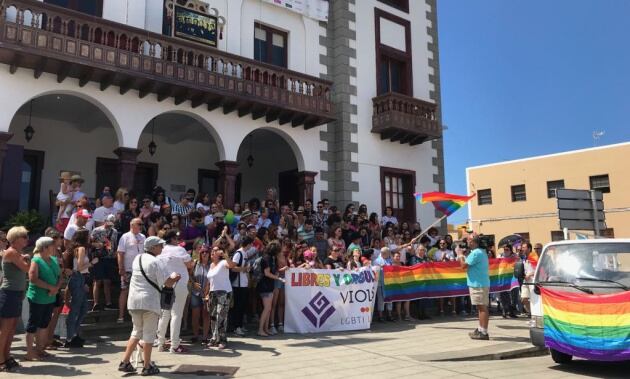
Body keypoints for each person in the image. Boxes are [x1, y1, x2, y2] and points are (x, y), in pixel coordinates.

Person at [118, 236, 181, 376]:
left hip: (133, 301)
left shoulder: (137, 258)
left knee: (136, 331)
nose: (162, 248)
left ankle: (125, 362)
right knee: (148, 334)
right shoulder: (156, 262)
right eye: (159, 245)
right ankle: (147, 366)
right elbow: (167, 283)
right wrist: (176, 277)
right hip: (149, 302)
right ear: (153, 248)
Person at [156, 230, 193, 353]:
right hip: (179, 283)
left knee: (165, 314)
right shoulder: (179, 250)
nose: (178, 240)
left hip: (165, 283)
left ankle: (161, 343)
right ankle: (175, 345)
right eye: (176, 238)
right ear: (172, 239)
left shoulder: (161, 250)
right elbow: (190, 265)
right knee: (176, 314)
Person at [25, 237, 62, 361]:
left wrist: (56, 288)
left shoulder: (53, 259)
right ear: (44, 247)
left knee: (44, 324)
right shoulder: (36, 260)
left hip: (50, 298)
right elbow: (33, 279)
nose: (54, 248)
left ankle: (41, 349)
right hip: (38, 297)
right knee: (33, 325)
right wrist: (50, 287)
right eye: (52, 246)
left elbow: (60, 275)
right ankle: (30, 353)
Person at [0, 227, 31, 371]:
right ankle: (1, 359)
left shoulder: (17, 253)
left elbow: (22, 274)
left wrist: (23, 291)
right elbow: (27, 269)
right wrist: (28, 259)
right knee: (5, 329)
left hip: (16, 293)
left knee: (12, 328)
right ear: (16, 238)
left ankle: (6, 356)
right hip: (8, 293)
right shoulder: (12, 252)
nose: (26, 239)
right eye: (24, 236)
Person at [64, 229, 96, 348]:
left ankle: (74, 334)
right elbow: (79, 266)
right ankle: (70, 337)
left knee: (83, 309)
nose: (90, 238)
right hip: (78, 278)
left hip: (80, 279)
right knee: (76, 309)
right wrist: (92, 262)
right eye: (88, 236)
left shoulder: (77, 248)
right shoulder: (81, 249)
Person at [205, 245, 239, 349]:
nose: (213, 252)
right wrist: (207, 293)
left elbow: (232, 265)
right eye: (212, 250)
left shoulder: (223, 262)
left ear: (219, 254)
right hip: (212, 293)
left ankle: (223, 340)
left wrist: (226, 256)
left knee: (221, 316)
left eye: (216, 250)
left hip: (224, 292)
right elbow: (210, 281)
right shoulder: (211, 265)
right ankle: (215, 338)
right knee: (213, 317)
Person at [457, 235, 490, 340]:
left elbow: (463, 266)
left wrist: (460, 255)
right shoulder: (480, 251)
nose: (467, 243)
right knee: (481, 308)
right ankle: (480, 329)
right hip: (480, 283)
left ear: (473, 242)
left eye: (468, 240)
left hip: (478, 284)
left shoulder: (476, 253)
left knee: (482, 308)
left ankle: (483, 332)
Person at [117, 218, 146, 323]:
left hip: (141, 269)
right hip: (128, 269)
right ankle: (121, 316)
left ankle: (138, 317)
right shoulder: (125, 237)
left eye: (141, 224)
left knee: (140, 292)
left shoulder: (143, 237)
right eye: (139, 224)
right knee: (124, 290)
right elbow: (120, 253)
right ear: (132, 225)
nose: (141, 226)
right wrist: (121, 268)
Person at [90, 214, 118, 311]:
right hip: (99, 257)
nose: (110, 224)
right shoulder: (96, 230)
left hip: (110, 258)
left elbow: (115, 244)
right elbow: (90, 243)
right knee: (97, 281)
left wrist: (115, 252)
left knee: (107, 281)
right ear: (105, 220)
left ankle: (108, 303)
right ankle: (96, 303)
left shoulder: (115, 232)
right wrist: (98, 244)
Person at [257, 242, 284, 337]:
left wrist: (278, 273)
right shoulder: (267, 258)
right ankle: (260, 329)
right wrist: (278, 278)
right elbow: (267, 273)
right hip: (265, 285)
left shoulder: (271, 258)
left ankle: (266, 329)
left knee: (268, 309)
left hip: (269, 285)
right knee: (267, 308)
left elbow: (272, 272)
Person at [230, 237, 253, 337]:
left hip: (243, 283)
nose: (252, 246)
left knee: (242, 306)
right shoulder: (238, 253)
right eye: (251, 244)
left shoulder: (245, 253)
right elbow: (232, 268)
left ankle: (240, 325)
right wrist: (244, 268)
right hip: (237, 284)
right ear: (247, 244)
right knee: (238, 307)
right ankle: (236, 327)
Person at [190, 245, 210, 344]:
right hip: (195, 292)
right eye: (202, 252)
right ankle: (195, 335)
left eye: (206, 251)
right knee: (195, 315)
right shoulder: (195, 263)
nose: (204, 253)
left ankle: (205, 337)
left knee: (206, 314)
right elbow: (189, 275)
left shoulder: (212, 265)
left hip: (207, 293)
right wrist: (193, 283)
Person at [374, 247, 394, 322]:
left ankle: (389, 315)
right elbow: (375, 270)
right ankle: (380, 316)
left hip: (389, 283)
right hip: (380, 283)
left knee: (390, 299)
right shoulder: (376, 261)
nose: (388, 254)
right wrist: (381, 267)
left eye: (388, 253)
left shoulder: (390, 260)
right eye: (387, 253)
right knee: (381, 300)